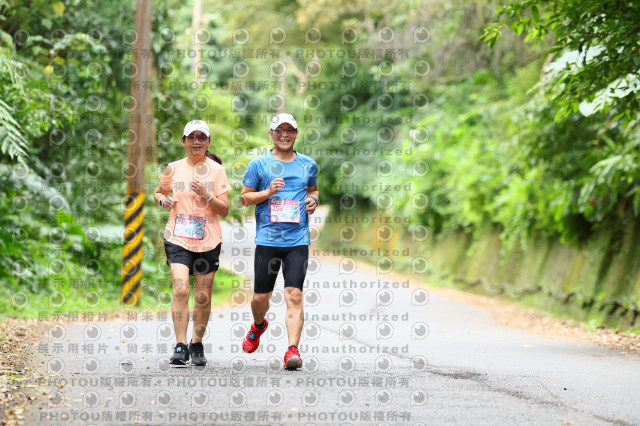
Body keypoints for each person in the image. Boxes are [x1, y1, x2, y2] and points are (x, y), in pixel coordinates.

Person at [240, 112, 319, 370]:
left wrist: (313, 201)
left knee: (294, 294)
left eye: (289, 130)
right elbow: (245, 198)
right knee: (260, 298)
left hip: (297, 240)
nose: (285, 135)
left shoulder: (308, 164)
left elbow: (313, 190)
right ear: (271, 134)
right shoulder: (259, 164)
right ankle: (258, 325)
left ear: (296, 134)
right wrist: (268, 192)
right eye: (279, 131)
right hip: (268, 239)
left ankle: (292, 350)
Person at [154, 119, 231, 367]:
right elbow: (159, 192)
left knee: (202, 296)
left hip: (208, 240)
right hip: (178, 237)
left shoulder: (216, 170)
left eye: (201, 137)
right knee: (180, 289)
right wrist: (163, 201)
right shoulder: (173, 168)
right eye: (192, 137)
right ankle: (180, 345)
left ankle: (196, 343)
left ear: (208, 142)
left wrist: (207, 195)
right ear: (183, 141)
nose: (196, 141)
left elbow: (224, 209)